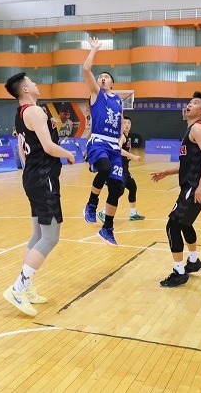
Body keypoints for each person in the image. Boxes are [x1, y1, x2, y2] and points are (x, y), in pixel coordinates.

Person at [2, 73, 75, 316]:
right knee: (51, 237)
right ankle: (18, 288)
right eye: (32, 82)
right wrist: (69, 154)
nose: (36, 84)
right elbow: (49, 147)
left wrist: (32, 170)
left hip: (33, 177)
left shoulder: (20, 113)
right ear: (25, 89)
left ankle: (27, 287)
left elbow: (21, 150)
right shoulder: (34, 111)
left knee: (38, 234)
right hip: (43, 179)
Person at [151, 92, 201, 287]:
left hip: (194, 186)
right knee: (185, 224)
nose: (189, 104)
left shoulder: (197, 128)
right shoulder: (191, 130)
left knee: (172, 226)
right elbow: (188, 163)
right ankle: (193, 261)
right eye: (189, 102)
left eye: (195, 103)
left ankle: (179, 272)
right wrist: (166, 172)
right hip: (190, 185)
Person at [81, 36, 124, 246]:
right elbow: (86, 69)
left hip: (114, 144)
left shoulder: (118, 100)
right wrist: (94, 49)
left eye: (106, 77)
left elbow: (121, 123)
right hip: (98, 141)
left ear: (113, 83)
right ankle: (91, 204)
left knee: (117, 188)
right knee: (105, 168)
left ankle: (107, 228)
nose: (103, 79)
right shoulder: (96, 94)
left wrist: (121, 139)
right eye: (101, 77)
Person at [98, 115, 145, 222]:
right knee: (118, 191)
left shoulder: (127, 138)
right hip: (119, 169)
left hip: (125, 169)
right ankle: (104, 212)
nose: (127, 125)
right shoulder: (121, 137)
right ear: (121, 125)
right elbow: (117, 149)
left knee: (133, 187)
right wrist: (132, 156)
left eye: (129, 123)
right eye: (125, 123)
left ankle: (133, 213)